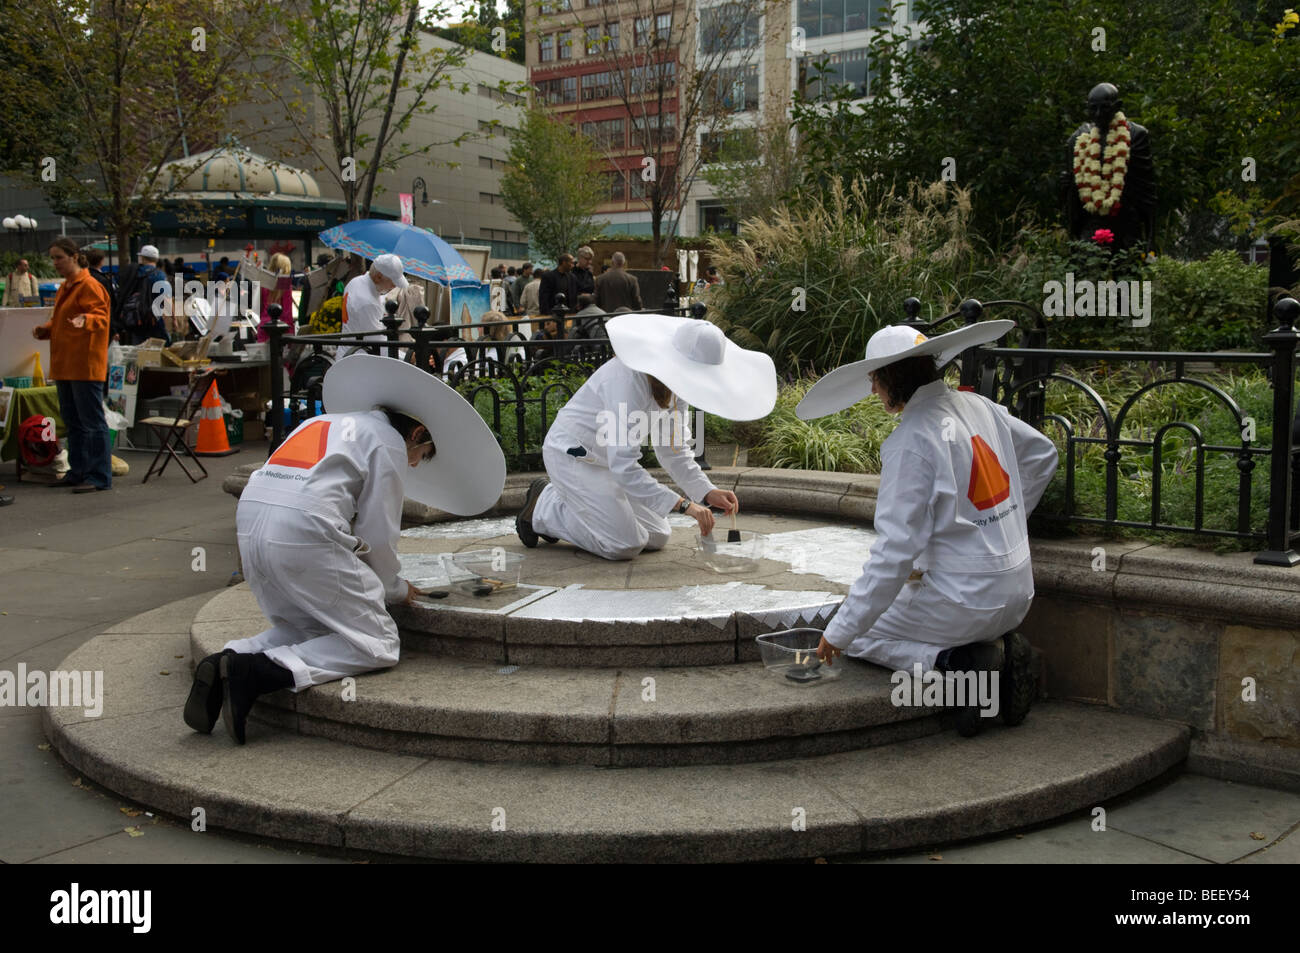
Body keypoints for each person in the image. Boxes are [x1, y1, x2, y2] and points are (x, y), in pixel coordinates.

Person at [183, 353, 506, 744]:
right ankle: (252, 674)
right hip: (302, 533)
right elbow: (378, 533)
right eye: (420, 457)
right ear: (418, 434)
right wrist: (396, 589)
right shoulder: (387, 442)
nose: (415, 466)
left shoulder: (322, 422)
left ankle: (226, 659)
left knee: (306, 627)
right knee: (377, 644)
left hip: (252, 525)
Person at [800, 322, 1059, 736]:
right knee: (862, 619)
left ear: (890, 377)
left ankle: (959, 669)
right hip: (1018, 593)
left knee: (857, 632)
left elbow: (893, 555)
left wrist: (838, 634)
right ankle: (1001, 655)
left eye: (874, 379)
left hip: (965, 603)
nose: (872, 391)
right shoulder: (981, 407)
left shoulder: (911, 440)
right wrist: (1004, 525)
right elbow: (1044, 455)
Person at [517, 314, 776, 560]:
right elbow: (624, 466)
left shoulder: (677, 388)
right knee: (623, 545)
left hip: (608, 463)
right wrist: (685, 505)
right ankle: (544, 505)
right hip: (573, 457)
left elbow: (673, 451)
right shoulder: (627, 380)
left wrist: (706, 492)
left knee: (657, 536)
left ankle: (584, 504)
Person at [30, 238, 113, 493]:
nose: (55, 263)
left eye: (59, 258)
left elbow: (101, 317)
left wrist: (86, 320)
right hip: (66, 364)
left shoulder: (88, 285)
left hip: (84, 365)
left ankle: (98, 476)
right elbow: (61, 320)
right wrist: (45, 330)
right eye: (53, 258)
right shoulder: (67, 286)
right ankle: (78, 472)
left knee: (91, 422)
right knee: (73, 421)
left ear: (74, 257)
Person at [340, 253, 406, 357]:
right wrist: (407, 357)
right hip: (360, 360)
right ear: (378, 277)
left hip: (349, 351)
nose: (394, 286)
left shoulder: (355, 282)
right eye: (392, 282)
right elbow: (377, 342)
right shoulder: (367, 302)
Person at [113, 244, 170, 344]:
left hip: (135, 317)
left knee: (138, 347)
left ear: (142, 258)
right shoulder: (159, 275)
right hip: (153, 318)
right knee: (161, 345)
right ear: (156, 259)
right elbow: (165, 298)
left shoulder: (133, 272)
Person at [257, 252, 296, 342]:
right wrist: (291, 333)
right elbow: (287, 312)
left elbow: (259, 307)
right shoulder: (285, 284)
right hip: (281, 329)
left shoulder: (264, 283)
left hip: (264, 327)